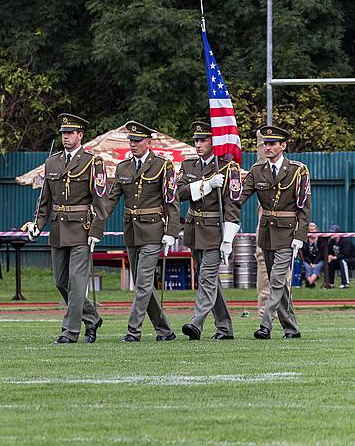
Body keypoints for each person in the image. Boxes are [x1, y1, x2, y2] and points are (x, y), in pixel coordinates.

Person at [22, 113, 107, 344]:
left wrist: (96, 231)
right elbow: (44, 200)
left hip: (82, 229)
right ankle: (91, 318)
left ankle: (69, 332)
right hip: (58, 228)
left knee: (77, 282)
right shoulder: (52, 162)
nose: (66, 137)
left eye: (70, 133)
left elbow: (101, 200)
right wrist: (37, 225)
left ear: (80, 135)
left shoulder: (93, 162)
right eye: (63, 134)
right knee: (61, 281)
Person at [101, 121, 179, 342]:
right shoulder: (123, 167)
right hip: (131, 230)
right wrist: (95, 224)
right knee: (144, 284)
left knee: (143, 282)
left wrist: (172, 230)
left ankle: (133, 331)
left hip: (153, 229)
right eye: (131, 141)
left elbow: (172, 201)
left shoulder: (163, 166)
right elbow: (111, 200)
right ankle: (165, 330)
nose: (133, 144)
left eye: (137, 141)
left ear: (148, 142)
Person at [230, 125, 309, 339]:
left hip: (287, 233)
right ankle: (291, 328)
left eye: (273, 143)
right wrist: (230, 186)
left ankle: (265, 325)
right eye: (266, 143)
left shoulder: (297, 170)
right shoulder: (257, 170)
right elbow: (239, 199)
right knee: (279, 283)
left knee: (275, 280)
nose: (268, 147)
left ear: (283, 146)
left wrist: (300, 236)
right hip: (266, 234)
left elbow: (304, 206)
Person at [175, 120, 242, 340]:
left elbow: (233, 205)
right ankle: (225, 328)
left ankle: (196, 323)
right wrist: (205, 185)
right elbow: (179, 193)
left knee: (206, 278)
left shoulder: (228, 167)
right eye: (196, 140)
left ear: (214, 141)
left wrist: (228, 239)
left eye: (203, 140)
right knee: (210, 280)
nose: (198, 144)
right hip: (195, 230)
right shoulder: (189, 166)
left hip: (215, 231)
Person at [301, 223, 323, 288]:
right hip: (308, 260)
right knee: (308, 268)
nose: (312, 231)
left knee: (317, 267)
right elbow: (305, 254)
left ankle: (309, 282)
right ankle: (311, 283)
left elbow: (321, 253)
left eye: (314, 229)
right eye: (310, 230)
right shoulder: (305, 240)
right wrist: (310, 263)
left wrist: (315, 263)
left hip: (319, 259)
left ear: (316, 230)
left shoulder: (321, 239)